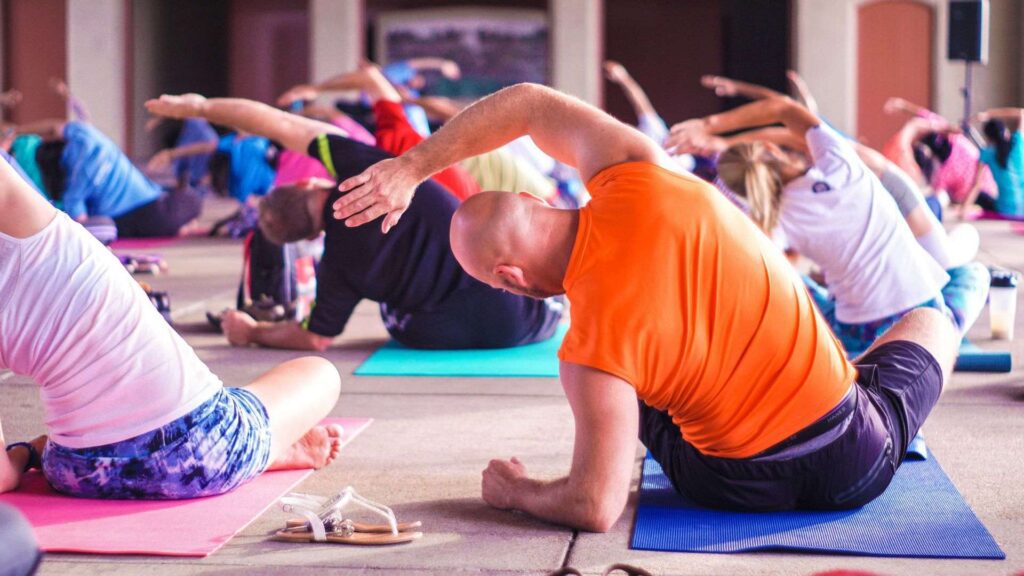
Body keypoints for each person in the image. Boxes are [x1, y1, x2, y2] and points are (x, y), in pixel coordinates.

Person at [327, 82, 960, 529]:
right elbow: (529, 103)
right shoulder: (639, 170)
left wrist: (516, 492)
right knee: (931, 320)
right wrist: (410, 168)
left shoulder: (587, 355)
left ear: (509, 276)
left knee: (631, 385)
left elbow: (593, 508)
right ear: (535, 198)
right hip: (855, 458)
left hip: (729, 487)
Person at [0, 155, 344, 500]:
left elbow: (2, 477)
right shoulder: (26, 219)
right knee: (321, 373)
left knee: (236, 412)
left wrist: (24, 454)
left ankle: (263, 447)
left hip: (80, 473)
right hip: (199, 452)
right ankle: (265, 449)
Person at [145, 93, 563, 352]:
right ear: (310, 181)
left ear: (308, 237)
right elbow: (282, 123)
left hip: (451, 335)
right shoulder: (362, 168)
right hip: (529, 312)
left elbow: (314, 338)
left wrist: (253, 331)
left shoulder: (337, 269)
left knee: (392, 314)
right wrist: (200, 107)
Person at [669, 96, 988, 352]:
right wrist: (710, 127)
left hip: (858, 335)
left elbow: (764, 275)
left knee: (791, 280)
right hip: (922, 315)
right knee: (975, 273)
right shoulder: (838, 162)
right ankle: (946, 335)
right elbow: (782, 108)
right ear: (769, 149)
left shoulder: (777, 218)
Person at [280, 64, 480, 201]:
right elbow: (371, 78)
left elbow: (371, 77)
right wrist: (314, 89)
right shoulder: (398, 140)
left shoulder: (398, 144)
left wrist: (315, 89)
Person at [13, 118, 201, 237]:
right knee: (193, 200)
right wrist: (18, 130)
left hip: (136, 211)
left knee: (106, 227)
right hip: (148, 198)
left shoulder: (74, 189)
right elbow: (54, 127)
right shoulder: (88, 136)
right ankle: (181, 221)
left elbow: (80, 225)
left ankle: (179, 223)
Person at [884, 97, 998, 213]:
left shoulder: (944, 173)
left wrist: (903, 106)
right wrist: (903, 105)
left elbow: (923, 116)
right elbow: (925, 115)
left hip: (976, 195)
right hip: (986, 190)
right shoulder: (956, 140)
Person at [962, 107, 1024, 217]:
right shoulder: (1017, 142)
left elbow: (976, 185)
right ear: (1005, 132)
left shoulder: (986, 153)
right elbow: (1021, 113)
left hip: (1004, 210)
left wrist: (964, 209)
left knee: (981, 196)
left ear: (989, 138)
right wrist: (988, 114)